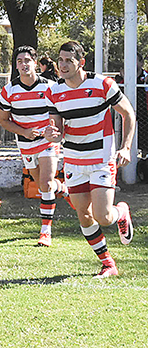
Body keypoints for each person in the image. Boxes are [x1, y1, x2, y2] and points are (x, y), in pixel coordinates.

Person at [44, 41, 135, 278]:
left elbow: (128, 114)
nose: (62, 65)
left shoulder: (103, 84)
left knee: (103, 217)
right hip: (73, 158)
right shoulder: (54, 91)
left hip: (101, 157)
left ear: (81, 63)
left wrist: (126, 147)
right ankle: (108, 264)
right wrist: (51, 134)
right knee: (83, 213)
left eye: (68, 61)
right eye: (60, 60)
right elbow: (57, 129)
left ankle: (121, 212)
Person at [0, 46, 72, 247]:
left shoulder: (49, 86)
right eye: (19, 61)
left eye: (27, 60)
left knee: (46, 183)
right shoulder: (9, 90)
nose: (23, 64)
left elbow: (61, 112)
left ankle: (45, 232)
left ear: (35, 63)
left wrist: (54, 131)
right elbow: (3, 120)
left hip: (47, 141)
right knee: (42, 186)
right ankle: (63, 189)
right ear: (16, 65)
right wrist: (23, 132)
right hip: (25, 143)